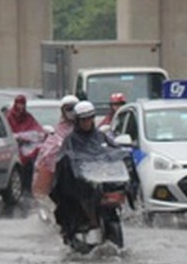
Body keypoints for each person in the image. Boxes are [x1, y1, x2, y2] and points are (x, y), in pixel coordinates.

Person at [51, 100, 129, 248]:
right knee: (69, 211)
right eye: (84, 119)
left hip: (101, 184)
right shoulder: (71, 141)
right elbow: (63, 161)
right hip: (79, 189)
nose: (87, 122)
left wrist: (121, 154)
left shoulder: (100, 137)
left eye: (90, 118)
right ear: (78, 120)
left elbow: (113, 151)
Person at [32, 95, 77, 200]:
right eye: (68, 109)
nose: (71, 112)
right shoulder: (57, 132)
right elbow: (47, 154)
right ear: (63, 111)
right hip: (64, 171)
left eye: (74, 108)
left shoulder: (84, 129)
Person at [5, 94, 47, 193]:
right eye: (19, 104)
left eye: (23, 104)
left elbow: (37, 129)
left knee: (29, 164)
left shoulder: (28, 117)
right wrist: (17, 138)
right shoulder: (9, 117)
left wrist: (36, 136)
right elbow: (6, 132)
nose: (21, 107)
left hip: (27, 150)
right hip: (13, 149)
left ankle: (27, 188)